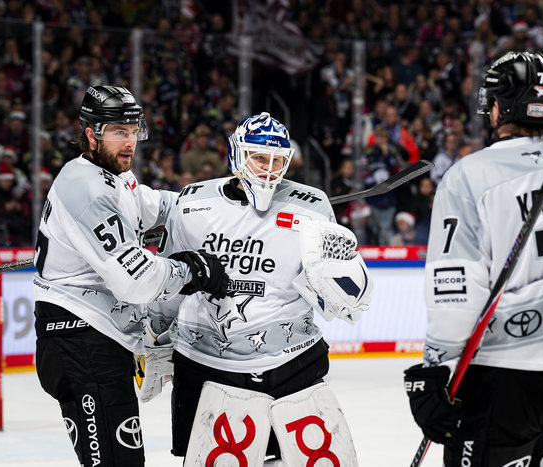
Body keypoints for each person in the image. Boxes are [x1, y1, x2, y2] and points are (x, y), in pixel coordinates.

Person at [404, 51, 543, 466]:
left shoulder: (469, 175)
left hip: (505, 371)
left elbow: (456, 287)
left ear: (498, 107)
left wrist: (434, 368)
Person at [147, 112, 373, 464]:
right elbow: (172, 278)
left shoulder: (313, 208)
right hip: (206, 366)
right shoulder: (191, 204)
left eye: (277, 160)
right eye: (259, 158)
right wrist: (154, 339)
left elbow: (342, 301)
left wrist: (343, 277)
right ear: (237, 155)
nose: (269, 169)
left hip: (291, 365)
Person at [32, 85, 229, 467]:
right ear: (91, 135)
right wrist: (191, 270)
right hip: (79, 342)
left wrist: (223, 202)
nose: (129, 142)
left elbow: (161, 207)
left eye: (133, 130)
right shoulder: (88, 189)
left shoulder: (112, 176)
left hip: (94, 339)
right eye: (118, 131)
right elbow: (135, 280)